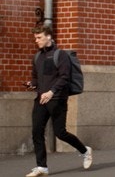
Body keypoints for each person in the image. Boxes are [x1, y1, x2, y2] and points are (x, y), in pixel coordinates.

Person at [28, 24, 91, 175]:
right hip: (41, 99)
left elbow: (65, 77)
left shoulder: (60, 55)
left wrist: (51, 91)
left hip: (57, 99)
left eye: (39, 37)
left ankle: (84, 150)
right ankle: (42, 167)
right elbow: (36, 77)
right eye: (35, 38)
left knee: (60, 133)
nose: (36, 40)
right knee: (36, 131)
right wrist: (32, 84)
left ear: (48, 36)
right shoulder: (37, 56)